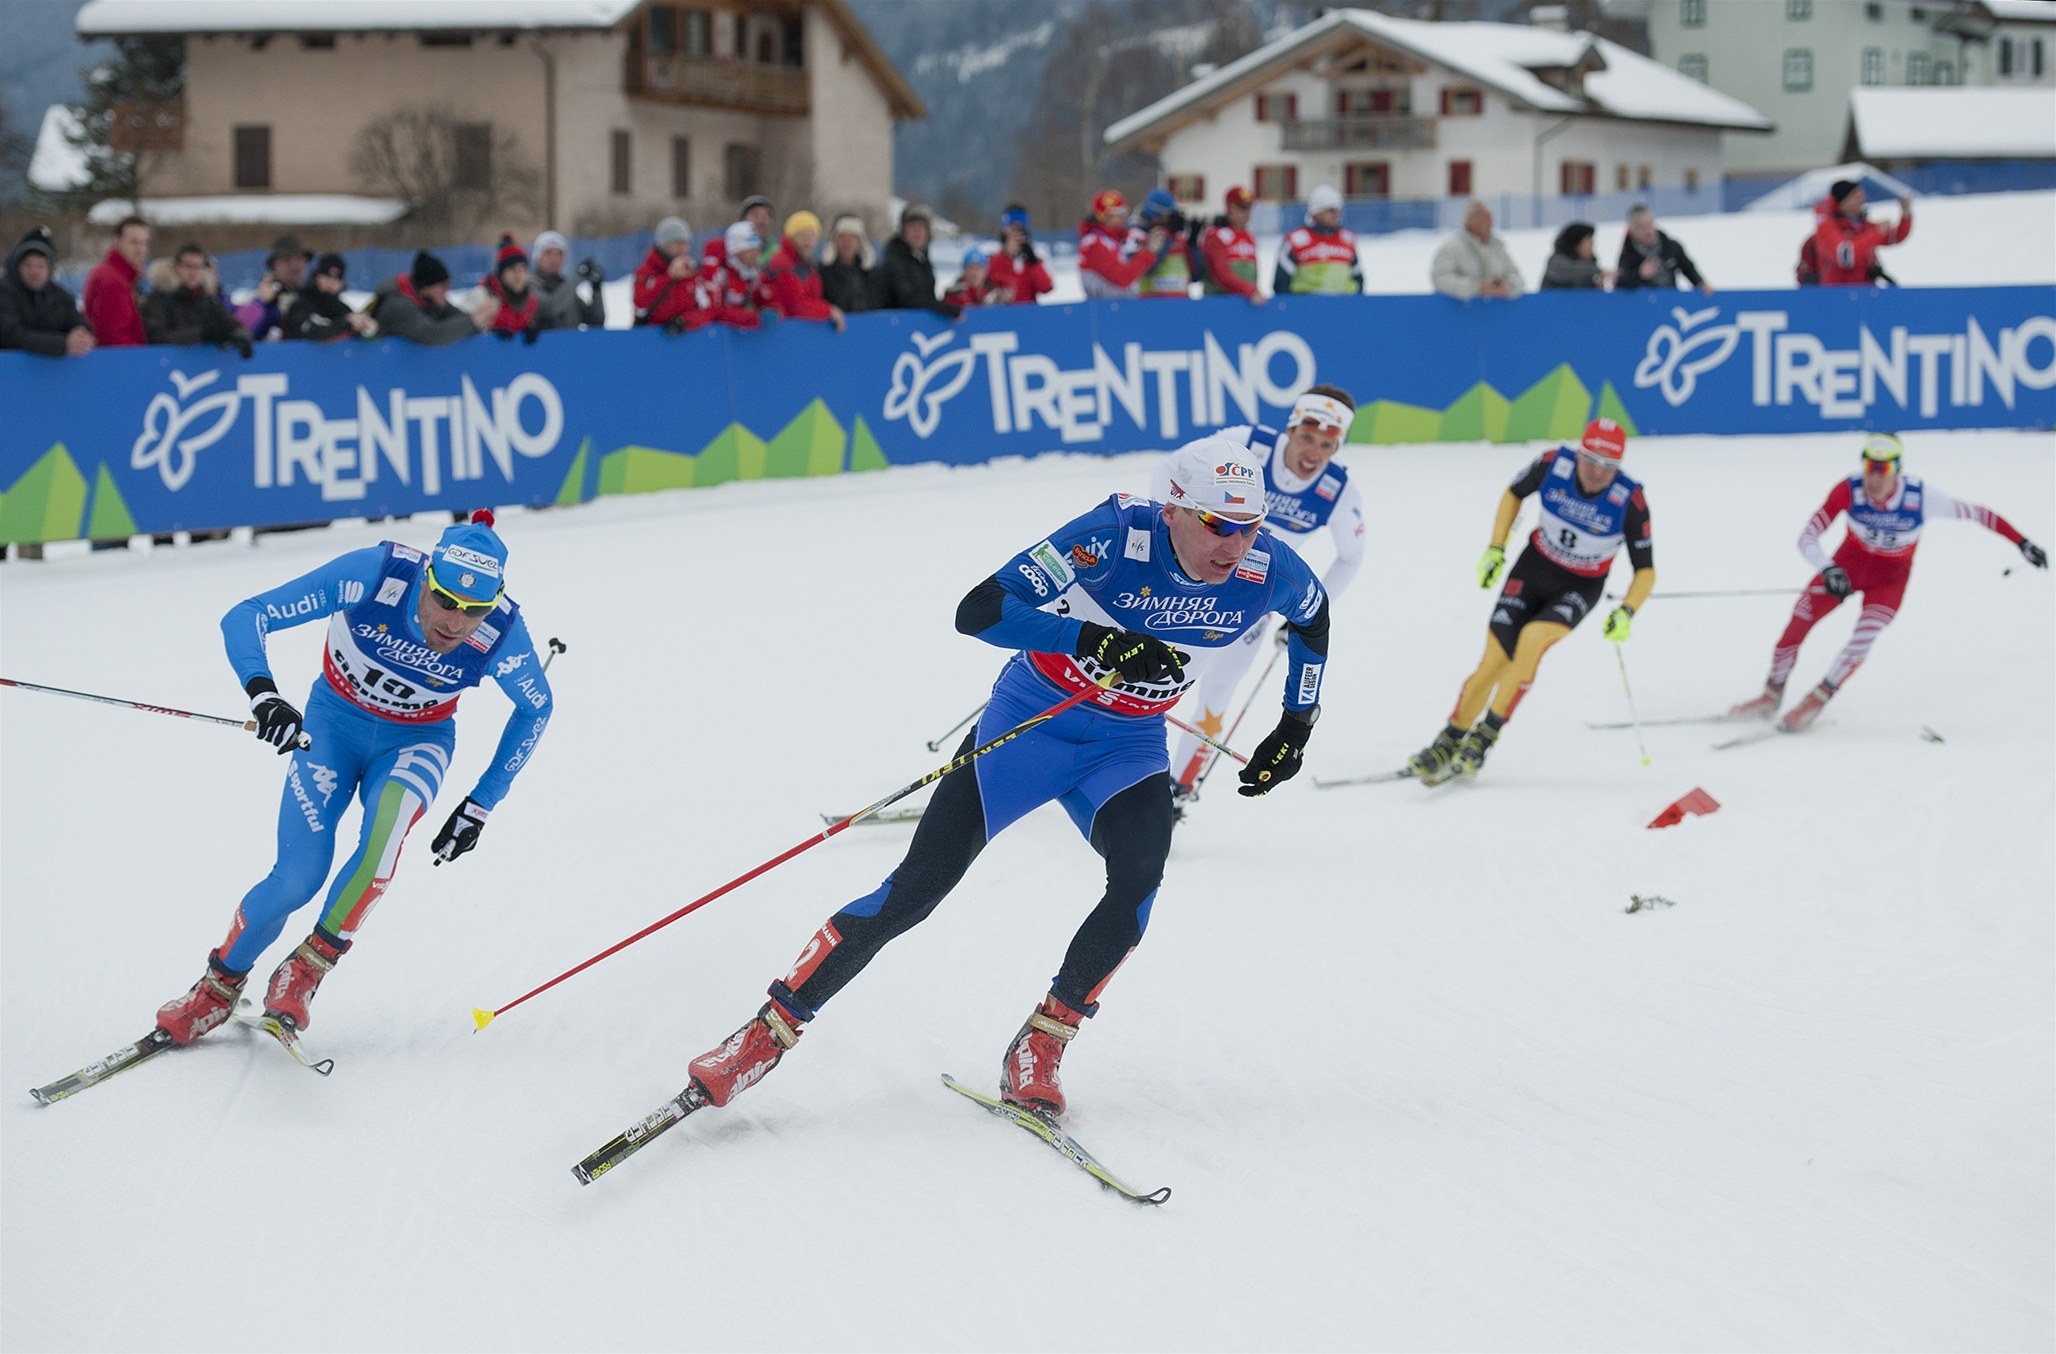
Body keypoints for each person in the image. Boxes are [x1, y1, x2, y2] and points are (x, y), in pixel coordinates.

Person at [666, 434, 1332, 1124]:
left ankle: (1042, 1044)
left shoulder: (1268, 566)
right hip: (1031, 724)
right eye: (1219, 525)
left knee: (1138, 882)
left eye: (1251, 526)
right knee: (914, 892)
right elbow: (980, 609)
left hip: (1127, 747)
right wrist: (1091, 639)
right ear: (1174, 511)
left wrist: (1296, 725)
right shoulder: (1111, 537)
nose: (1236, 545)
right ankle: (763, 1036)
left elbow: (1314, 621)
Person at [151, 511, 555, 1045]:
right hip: (331, 729)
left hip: (416, 742)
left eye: (475, 610)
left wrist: (481, 803)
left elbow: (536, 707)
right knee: (298, 877)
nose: (456, 623)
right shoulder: (376, 574)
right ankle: (215, 989)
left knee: (384, 835)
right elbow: (247, 615)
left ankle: (306, 970)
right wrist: (264, 693)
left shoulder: (500, 631)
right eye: (445, 601)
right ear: (426, 578)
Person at [1727, 433, 2045, 732]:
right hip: (1845, 569)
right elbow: (1807, 536)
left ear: (1898, 470)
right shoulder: (1849, 490)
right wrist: (1828, 569)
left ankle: (1817, 699)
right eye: (1869, 467)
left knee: (1862, 639)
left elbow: (1978, 514)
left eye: (1884, 469)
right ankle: (1770, 696)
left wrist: (2022, 542)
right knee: (1795, 627)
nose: (1875, 478)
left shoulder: (1920, 497)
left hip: (1889, 582)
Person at [1404, 418, 1654, 782]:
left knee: (1533, 640)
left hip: (1580, 587)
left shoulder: (1630, 499)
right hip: (1533, 570)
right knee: (1491, 665)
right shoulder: (1553, 464)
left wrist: (1628, 611)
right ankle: (1449, 739)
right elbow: (1514, 493)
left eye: (1609, 465)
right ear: (1579, 452)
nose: (1598, 472)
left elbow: (1645, 569)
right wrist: (1496, 547)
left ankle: (1486, 734)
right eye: (1591, 460)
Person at [1153, 386, 1364, 802]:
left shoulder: (1338, 490)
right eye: (1307, 438)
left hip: (1248, 608)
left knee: (1216, 695)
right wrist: (1171, 535)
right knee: (1145, 673)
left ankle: (1177, 789)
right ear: (1290, 429)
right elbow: (1169, 468)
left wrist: (1300, 618)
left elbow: (1351, 557)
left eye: (1327, 446)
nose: (1313, 454)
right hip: (1182, 583)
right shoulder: (1246, 443)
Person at [144, 243, 255, 357]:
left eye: (198, 267)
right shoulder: (159, 299)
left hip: (206, 363)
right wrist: (203, 335)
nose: (193, 272)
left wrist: (238, 335)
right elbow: (158, 338)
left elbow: (230, 323)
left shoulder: (207, 299)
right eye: (188, 266)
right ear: (175, 267)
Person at [368, 250, 497, 345]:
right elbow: (431, 334)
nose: (448, 290)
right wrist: (472, 321)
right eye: (443, 286)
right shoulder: (397, 305)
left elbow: (457, 317)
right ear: (426, 288)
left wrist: (479, 322)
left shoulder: (430, 300)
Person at [0, 227, 94, 357]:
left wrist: (81, 334)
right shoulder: (5, 292)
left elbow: (77, 321)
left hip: (55, 368)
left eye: (40, 266)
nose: (34, 272)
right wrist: (63, 344)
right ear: (18, 268)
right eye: (28, 265)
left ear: (49, 269)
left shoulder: (61, 296)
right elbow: (10, 335)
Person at [1803, 180, 1912, 287]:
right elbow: (1846, 256)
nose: (1862, 199)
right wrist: (1877, 233)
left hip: (1865, 291)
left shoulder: (1861, 225)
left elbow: (1896, 237)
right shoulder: (1826, 227)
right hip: (1837, 293)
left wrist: (1906, 213)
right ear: (1843, 202)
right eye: (1856, 196)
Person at [761, 210, 846, 331]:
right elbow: (797, 307)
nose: (808, 241)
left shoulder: (807, 265)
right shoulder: (783, 264)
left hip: (798, 330)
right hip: (781, 332)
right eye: (802, 236)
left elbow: (814, 297)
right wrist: (829, 310)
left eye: (811, 236)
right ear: (791, 238)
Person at [1273, 185, 1362, 296]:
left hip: (1343, 305)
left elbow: (1358, 281)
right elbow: (1281, 284)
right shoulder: (1295, 241)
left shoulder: (1348, 240)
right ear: (1316, 212)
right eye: (1331, 210)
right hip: (1306, 305)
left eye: (1338, 210)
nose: (1336, 214)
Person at [878, 203, 961, 319]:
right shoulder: (894, 260)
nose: (917, 232)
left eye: (922, 227)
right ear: (903, 232)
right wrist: (945, 308)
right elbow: (908, 299)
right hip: (896, 324)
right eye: (912, 227)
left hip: (918, 324)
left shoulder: (922, 260)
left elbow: (927, 298)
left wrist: (947, 299)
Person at [1078, 189, 1161, 300]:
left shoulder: (1121, 237)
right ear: (1103, 216)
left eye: (1123, 213)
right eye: (1117, 214)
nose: (1123, 218)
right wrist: (1148, 252)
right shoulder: (1093, 242)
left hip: (1123, 303)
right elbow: (1122, 278)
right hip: (1103, 306)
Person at [1431, 200, 1523, 300]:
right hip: (1462, 309)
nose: (1489, 223)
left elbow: (1516, 277)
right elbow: (1440, 279)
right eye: (1484, 218)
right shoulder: (1451, 249)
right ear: (1470, 220)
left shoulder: (1498, 248)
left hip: (1497, 308)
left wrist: (1507, 287)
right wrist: (1475, 288)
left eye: (1490, 218)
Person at [82, 214, 150, 348]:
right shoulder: (112, 280)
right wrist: (144, 356)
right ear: (116, 242)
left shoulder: (125, 277)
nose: (140, 249)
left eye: (144, 243)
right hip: (121, 357)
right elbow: (114, 337)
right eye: (134, 242)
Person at [1613, 206, 1710, 294]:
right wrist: (1639, 275)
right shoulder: (1627, 254)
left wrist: (1700, 283)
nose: (1647, 231)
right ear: (1632, 230)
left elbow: (1688, 269)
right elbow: (1620, 283)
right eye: (1641, 227)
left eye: (1650, 224)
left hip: (1670, 301)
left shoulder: (1670, 246)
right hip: (1643, 304)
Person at [233, 234, 313, 340]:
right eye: (287, 259)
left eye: (299, 259)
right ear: (274, 265)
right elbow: (239, 330)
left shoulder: (314, 296)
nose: (295, 266)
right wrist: (264, 303)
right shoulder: (256, 300)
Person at [282, 252, 376, 342]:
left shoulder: (342, 309)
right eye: (326, 277)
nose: (331, 283)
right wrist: (344, 324)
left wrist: (365, 327)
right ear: (317, 278)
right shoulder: (302, 304)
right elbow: (312, 333)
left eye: (336, 279)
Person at [633, 216, 701, 331]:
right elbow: (641, 307)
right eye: (677, 243)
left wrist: (685, 321)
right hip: (650, 336)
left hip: (686, 336)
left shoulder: (693, 273)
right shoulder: (646, 272)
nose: (683, 249)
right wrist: (669, 278)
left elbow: (706, 309)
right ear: (663, 245)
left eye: (685, 243)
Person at [698, 221, 771, 329]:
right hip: (712, 335)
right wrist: (751, 318)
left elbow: (765, 300)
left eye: (758, 249)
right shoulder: (715, 272)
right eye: (752, 249)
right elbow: (713, 312)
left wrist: (773, 310)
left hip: (735, 335)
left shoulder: (752, 273)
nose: (757, 253)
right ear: (737, 250)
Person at [1199, 185, 1264, 304]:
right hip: (1219, 303)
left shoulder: (1249, 237)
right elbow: (1221, 274)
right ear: (1230, 208)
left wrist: (1253, 291)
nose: (1248, 214)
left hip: (1245, 304)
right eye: (1242, 208)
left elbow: (1253, 274)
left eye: (1250, 208)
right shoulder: (1216, 236)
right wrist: (1249, 290)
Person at [530, 229, 605, 332]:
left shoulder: (566, 286)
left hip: (570, 342)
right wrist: (579, 277)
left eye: (558, 254)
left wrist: (596, 288)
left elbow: (596, 320)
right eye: (548, 253)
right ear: (538, 257)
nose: (554, 259)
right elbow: (550, 308)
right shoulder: (531, 284)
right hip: (545, 342)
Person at [1130, 188, 1199, 298]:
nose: (1169, 219)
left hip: (1181, 301)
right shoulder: (1137, 235)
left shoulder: (1178, 236)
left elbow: (1196, 274)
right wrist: (1167, 237)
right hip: (1152, 300)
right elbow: (1146, 269)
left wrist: (1193, 242)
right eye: (1167, 215)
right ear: (1154, 215)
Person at [986, 204, 1052, 305]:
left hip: (1027, 312)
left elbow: (1046, 287)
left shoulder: (1032, 260)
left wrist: (1032, 260)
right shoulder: (991, 259)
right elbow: (979, 287)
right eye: (1012, 230)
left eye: (1020, 230)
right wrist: (1006, 255)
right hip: (1001, 312)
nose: (1017, 236)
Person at [818, 214, 880, 314]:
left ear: (860, 242)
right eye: (842, 237)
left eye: (852, 238)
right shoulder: (823, 272)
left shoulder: (872, 273)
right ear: (834, 241)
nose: (847, 242)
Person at [480, 234, 538, 339]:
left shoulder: (531, 302)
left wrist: (528, 327)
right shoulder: (485, 297)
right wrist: (490, 332)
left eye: (522, 269)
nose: (518, 275)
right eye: (512, 269)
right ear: (501, 274)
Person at [1541, 222, 1611, 290]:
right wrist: (1599, 271)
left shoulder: (1589, 270)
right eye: (1588, 243)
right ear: (1576, 244)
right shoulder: (1556, 263)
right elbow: (1570, 272)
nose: (1591, 247)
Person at [941, 247, 1007, 308]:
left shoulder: (994, 294)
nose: (974, 273)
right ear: (964, 270)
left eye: (978, 268)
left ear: (986, 271)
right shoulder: (955, 293)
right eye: (971, 268)